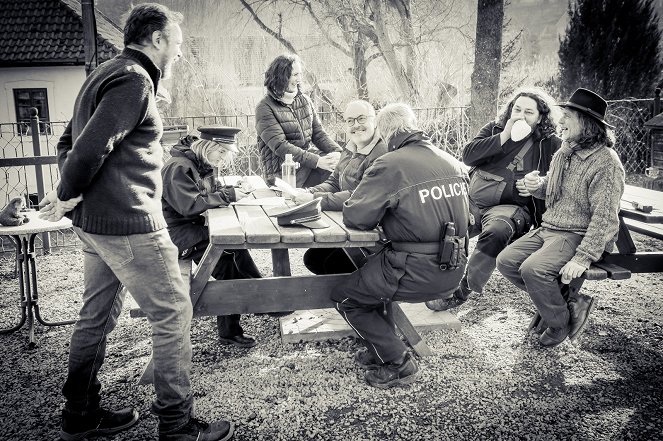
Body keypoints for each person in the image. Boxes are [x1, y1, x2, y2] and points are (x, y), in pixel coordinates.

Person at [38, 4, 234, 441]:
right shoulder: (134, 80)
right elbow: (88, 149)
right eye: (177, 44)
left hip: (95, 223)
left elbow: (66, 142)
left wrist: (69, 192)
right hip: (129, 223)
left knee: (96, 317)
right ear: (157, 40)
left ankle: (80, 414)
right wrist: (67, 192)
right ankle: (177, 424)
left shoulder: (104, 72)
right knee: (173, 312)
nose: (180, 53)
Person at [331, 103, 470, 389]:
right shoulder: (452, 161)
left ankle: (397, 361)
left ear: (385, 132)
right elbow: (475, 220)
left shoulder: (390, 164)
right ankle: (380, 347)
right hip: (454, 269)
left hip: (411, 270)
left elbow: (356, 217)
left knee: (346, 296)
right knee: (358, 273)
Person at [496, 88, 625, 347]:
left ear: (586, 124)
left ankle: (559, 323)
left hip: (575, 235)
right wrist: (538, 185)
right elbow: (555, 190)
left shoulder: (606, 163)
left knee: (533, 270)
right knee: (506, 261)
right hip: (549, 229)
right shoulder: (565, 151)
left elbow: (605, 218)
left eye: (567, 116)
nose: (560, 122)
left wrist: (583, 258)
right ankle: (567, 304)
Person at [426, 87, 562, 312]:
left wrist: (538, 185)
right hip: (472, 200)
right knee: (443, 226)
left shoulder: (550, 143)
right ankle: (436, 281)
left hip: (510, 208)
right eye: (517, 109)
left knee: (497, 232)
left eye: (529, 112)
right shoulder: (494, 129)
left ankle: (463, 289)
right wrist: (503, 136)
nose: (520, 115)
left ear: (540, 118)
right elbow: (468, 155)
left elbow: (561, 178)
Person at [161, 126, 261, 348]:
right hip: (177, 235)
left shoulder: (199, 163)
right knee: (229, 254)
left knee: (232, 252)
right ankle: (262, 299)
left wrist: (233, 188)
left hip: (190, 229)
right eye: (222, 152)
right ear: (209, 147)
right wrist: (229, 195)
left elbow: (206, 192)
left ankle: (257, 302)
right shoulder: (179, 167)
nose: (224, 158)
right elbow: (190, 205)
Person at [292, 99, 388, 274]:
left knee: (330, 264)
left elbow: (359, 195)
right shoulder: (350, 147)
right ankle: (353, 297)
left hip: (373, 232)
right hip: (348, 223)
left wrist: (314, 199)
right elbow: (334, 182)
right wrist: (308, 192)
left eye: (361, 119)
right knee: (313, 259)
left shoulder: (381, 154)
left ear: (374, 120)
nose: (356, 125)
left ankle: (364, 298)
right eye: (350, 121)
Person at [256, 54, 342, 188]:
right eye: (295, 75)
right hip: (281, 173)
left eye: (300, 74)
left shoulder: (305, 100)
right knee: (332, 172)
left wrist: (338, 153)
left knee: (338, 165)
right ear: (281, 76)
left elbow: (318, 134)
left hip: (306, 165)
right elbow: (280, 146)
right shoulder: (264, 107)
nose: (299, 79)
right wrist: (317, 161)